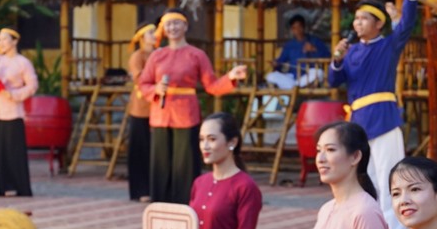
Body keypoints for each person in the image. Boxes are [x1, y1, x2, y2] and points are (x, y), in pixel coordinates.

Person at [331, 0, 426, 229]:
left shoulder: (387, 46)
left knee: (390, 181)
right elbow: (334, 82)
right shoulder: (350, 52)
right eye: (356, 18)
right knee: (364, 180)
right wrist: (336, 58)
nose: (357, 23)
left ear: (378, 24)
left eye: (363, 19)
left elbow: (407, 23)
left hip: (383, 119)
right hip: (358, 124)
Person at [140, 11, 247, 205]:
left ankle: (185, 207)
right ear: (163, 28)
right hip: (161, 114)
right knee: (160, 165)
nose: (173, 28)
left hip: (185, 114)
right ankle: (160, 208)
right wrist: (156, 88)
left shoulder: (197, 55)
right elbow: (143, 84)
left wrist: (230, 77)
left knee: (185, 165)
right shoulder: (157, 56)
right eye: (169, 24)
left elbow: (212, 86)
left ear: (185, 26)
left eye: (177, 23)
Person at [0, 28, 38, 197]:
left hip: (13, 110)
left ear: (14, 41)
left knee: (12, 150)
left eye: (5, 40)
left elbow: (32, 85)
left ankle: (16, 185)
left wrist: (15, 94)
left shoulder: (23, 63)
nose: (1, 43)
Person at [124, 23, 157, 202]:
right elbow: (139, 77)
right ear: (142, 37)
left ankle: (154, 188)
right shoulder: (138, 56)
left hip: (158, 108)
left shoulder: (159, 54)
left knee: (154, 151)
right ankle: (141, 190)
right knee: (140, 151)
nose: (154, 35)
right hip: (141, 108)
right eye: (151, 33)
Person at [265, 13, 330, 89]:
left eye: (299, 27)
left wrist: (313, 49)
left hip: (308, 76)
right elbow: (281, 61)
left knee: (319, 73)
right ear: (292, 30)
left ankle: (294, 88)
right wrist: (276, 63)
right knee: (270, 76)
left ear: (304, 27)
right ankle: (295, 87)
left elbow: (328, 56)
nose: (297, 30)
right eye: (294, 28)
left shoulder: (314, 41)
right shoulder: (289, 45)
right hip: (292, 77)